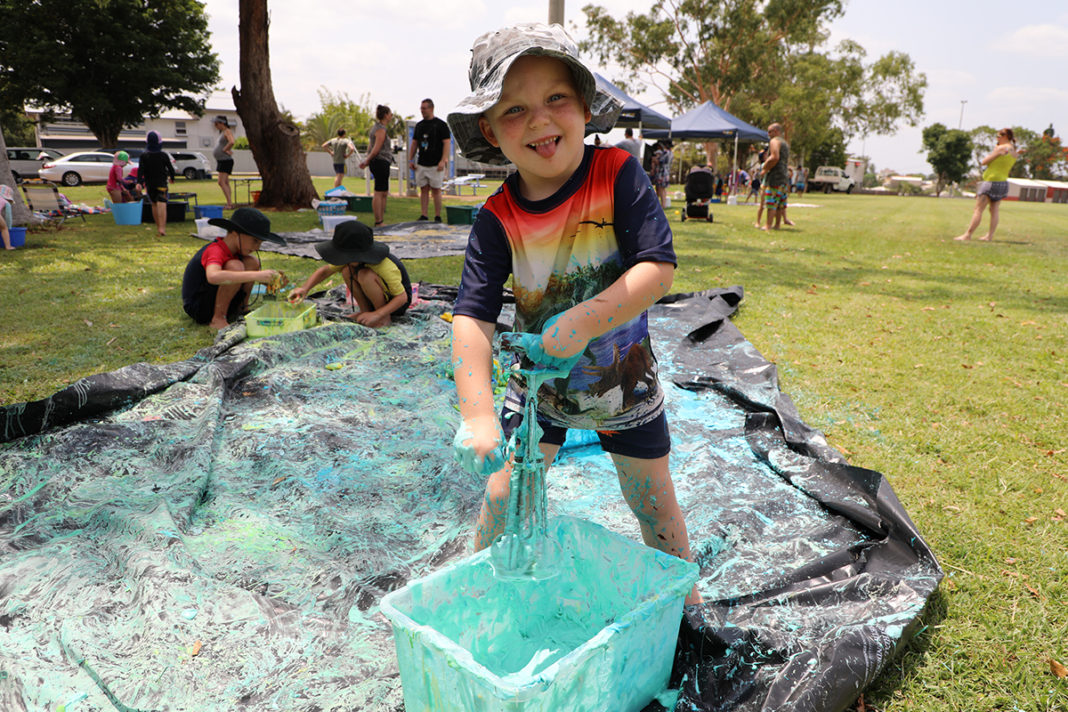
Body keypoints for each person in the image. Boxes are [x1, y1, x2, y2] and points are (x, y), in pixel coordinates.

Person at [446, 22, 701, 605]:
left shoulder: (617, 175)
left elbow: (657, 269)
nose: (539, 120)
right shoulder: (495, 218)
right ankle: (472, 597)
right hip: (538, 389)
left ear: (585, 106)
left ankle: (685, 612)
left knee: (653, 503)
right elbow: (473, 319)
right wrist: (478, 414)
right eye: (514, 109)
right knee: (502, 497)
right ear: (489, 130)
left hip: (623, 383)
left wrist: (586, 319)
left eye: (555, 98)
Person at [288, 220, 411, 328]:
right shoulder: (351, 262)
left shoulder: (384, 265)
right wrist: (304, 289)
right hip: (377, 302)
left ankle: (383, 318)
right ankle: (365, 311)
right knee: (347, 271)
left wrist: (378, 314)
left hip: (395, 305)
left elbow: (402, 297)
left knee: (365, 275)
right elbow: (324, 271)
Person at [181, 207, 286, 330]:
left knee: (252, 262)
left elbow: (246, 275)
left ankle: (242, 310)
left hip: (218, 301)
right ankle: (218, 319)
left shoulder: (236, 253)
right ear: (236, 234)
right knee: (236, 266)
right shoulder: (215, 250)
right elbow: (213, 276)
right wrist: (256, 276)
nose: (257, 247)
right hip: (199, 307)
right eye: (255, 241)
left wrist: (271, 281)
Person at [954, 128, 1019, 242]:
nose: (997, 138)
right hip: (1003, 183)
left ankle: (968, 235)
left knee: (978, 209)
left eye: (998, 136)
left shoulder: (1000, 149)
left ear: (1005, 136)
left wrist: (997, 152)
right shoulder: (1014, 152)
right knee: (994, 210)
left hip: (991, 181)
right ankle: (989, 236)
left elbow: (984, 162)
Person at [407, 98, 452, 222]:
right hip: (422, 163)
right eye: (421, 108)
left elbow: (447, 143)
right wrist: (410, 159)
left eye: (424, 108)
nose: (422, 111)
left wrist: (443, 160)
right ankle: (424, 215)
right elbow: (414, 143)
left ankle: (438, 215)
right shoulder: (419, 125)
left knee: (436, 190)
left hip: (436, 163)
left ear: (431, 108)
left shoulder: (441, 125)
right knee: (423, 189)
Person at [358, 105, 394, 227]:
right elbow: (376, 148)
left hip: (381, 161)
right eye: (390, 114)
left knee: (384, 191)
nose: (391, 116)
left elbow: (370, 146)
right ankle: (378, 221)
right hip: (380, 161)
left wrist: (368, 159)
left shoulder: (378, 128)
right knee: (379, 192)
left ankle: (381, 219)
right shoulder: (380, 130)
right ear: (385, 115)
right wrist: (367, 160)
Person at [137, 131, 176, 236]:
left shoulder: (144, 156)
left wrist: (139, 182)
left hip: (150, 184)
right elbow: (170, 168)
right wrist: (172, 178)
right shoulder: (163, 155)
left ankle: (159, 227)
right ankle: (163, 228)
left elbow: (140, 170)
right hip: (161, 184)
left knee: (154, 204)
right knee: (162, 204)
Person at [760, 123, 790, 230]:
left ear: (776, 131)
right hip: (784, 178)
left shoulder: (774, 141)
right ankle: (777, 225)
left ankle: (768, 225)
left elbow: (774, 157)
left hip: (774, 177)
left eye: (770, 131)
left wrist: (765, 168)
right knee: (780, 204)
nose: (768, 134)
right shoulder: (785, 143)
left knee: (771, 202)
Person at [212, 116, 236, 209]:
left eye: (216, 124)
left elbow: (232, 142)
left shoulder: (227, 131)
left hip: (225, 160)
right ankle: (229, 203)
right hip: (221, 160)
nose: (215, 126)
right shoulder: (222, 133)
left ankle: (229, 204)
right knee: (225, 182)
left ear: (222, 123)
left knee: (221, 182)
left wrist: (225, 149)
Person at [651, 140, 673, 206]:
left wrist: (654, 159)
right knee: (662, 189)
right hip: (665, 172)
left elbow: (660, 162)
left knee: (661, 189)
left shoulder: (666, 153)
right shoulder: (671, 153)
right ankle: (662, 204)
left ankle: (663, 205)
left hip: (662, 173)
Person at [0, 183, 14, 251]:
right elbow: (8, 215)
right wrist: (8, 225)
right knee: (4, 228)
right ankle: (8, 246)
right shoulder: (6, 202)